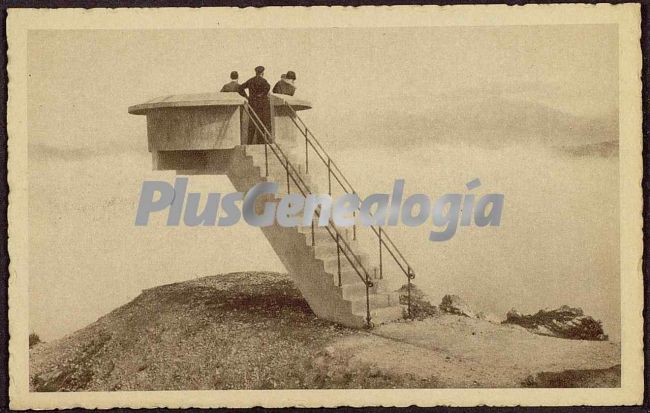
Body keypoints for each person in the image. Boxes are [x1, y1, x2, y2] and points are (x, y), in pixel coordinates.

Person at [240, 66, 272, 144]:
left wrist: (247, 97)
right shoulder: (264, 81)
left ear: (256, 72)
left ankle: (249, 142)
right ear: (262, 73)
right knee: (261, 123)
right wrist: (262, 96)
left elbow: (240, 87)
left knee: (252, 124)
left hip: (252, 105)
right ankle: (260, 142)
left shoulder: (251, 80)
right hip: (261, 106)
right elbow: (268, 88)